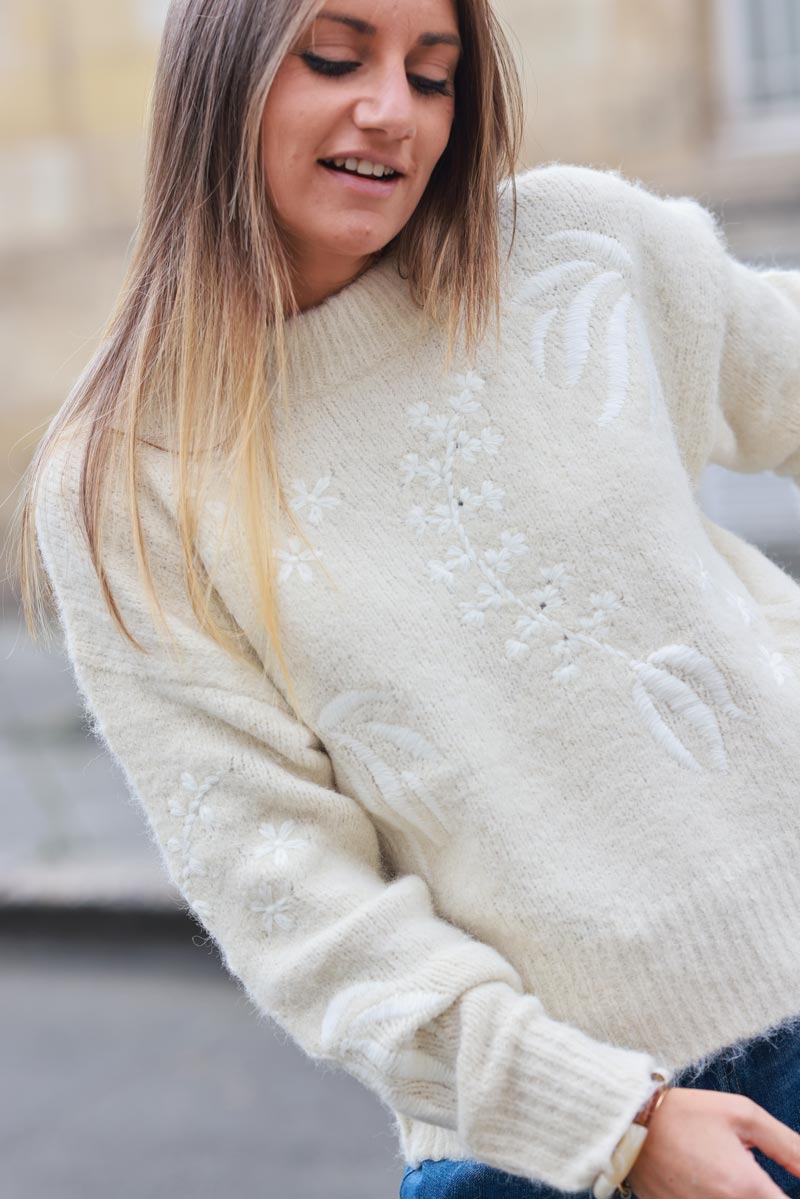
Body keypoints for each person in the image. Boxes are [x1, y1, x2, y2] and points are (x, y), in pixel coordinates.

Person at [13, 0, 800, 1196]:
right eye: (334, 58)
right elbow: (291, 893)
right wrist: (621, 1123)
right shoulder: (129, 479)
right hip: (574, 1145)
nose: (392, 111)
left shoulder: (579, 248)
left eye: (431, 78)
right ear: (219, 80)